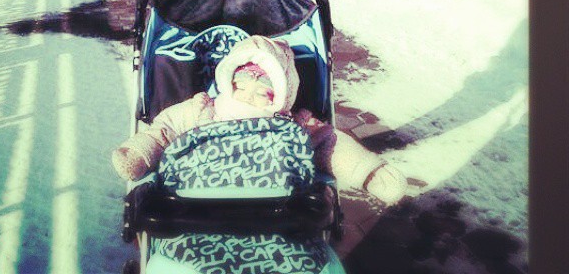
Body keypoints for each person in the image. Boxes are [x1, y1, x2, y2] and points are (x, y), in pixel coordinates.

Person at [112, 35, 408, 206]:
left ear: (281, 96)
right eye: (240, 87)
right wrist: (139, 152)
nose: (247, 98)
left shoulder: (294, 124)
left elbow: (329, 144)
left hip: (275, 209)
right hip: (198, 202)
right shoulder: (204, 110)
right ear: (228, 83)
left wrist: (368, 172)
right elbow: (164, 129)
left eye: (263, 92)